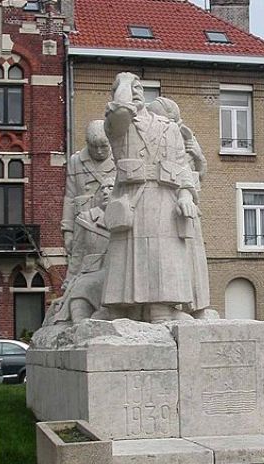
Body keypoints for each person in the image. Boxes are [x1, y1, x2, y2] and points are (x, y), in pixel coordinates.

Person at [102, 72, 206, 323]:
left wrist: (184, 196)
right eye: (127, 87)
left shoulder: (168, 128)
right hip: (132, 198)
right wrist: (123, 83)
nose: (134, 90)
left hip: (165, 199)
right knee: (129, 258)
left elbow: (181, 167)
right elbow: (121, 112)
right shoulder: (118, 126)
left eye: (138, 86)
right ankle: (127, 310)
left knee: (165, 255)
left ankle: (161, 308)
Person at [147, 97, 210, 316]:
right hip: (164, 206)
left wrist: (199, 156)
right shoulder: (152, 141)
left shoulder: (187, 137)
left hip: (188, 205)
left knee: (193, 257)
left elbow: (199, 174)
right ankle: (171, 307)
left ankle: (196, 306)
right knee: (169, 258)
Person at [52, 181, 113, 324]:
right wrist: (68, 281)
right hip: (90, 271)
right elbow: (77, 255)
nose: (105, 191)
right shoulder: (85, 219)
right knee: (81, 286)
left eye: (110, 187)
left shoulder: (127, 218)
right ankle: (80, 324)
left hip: (116, 273)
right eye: (102, 188)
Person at [61, 120, 115, 258]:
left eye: (103, 146)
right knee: (78, 266)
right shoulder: (76, 161)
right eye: (94, 146)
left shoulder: (119, 158)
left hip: (110, 223)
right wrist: (68, 231)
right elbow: (70, 197)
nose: (99, 151)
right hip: (83, 225)